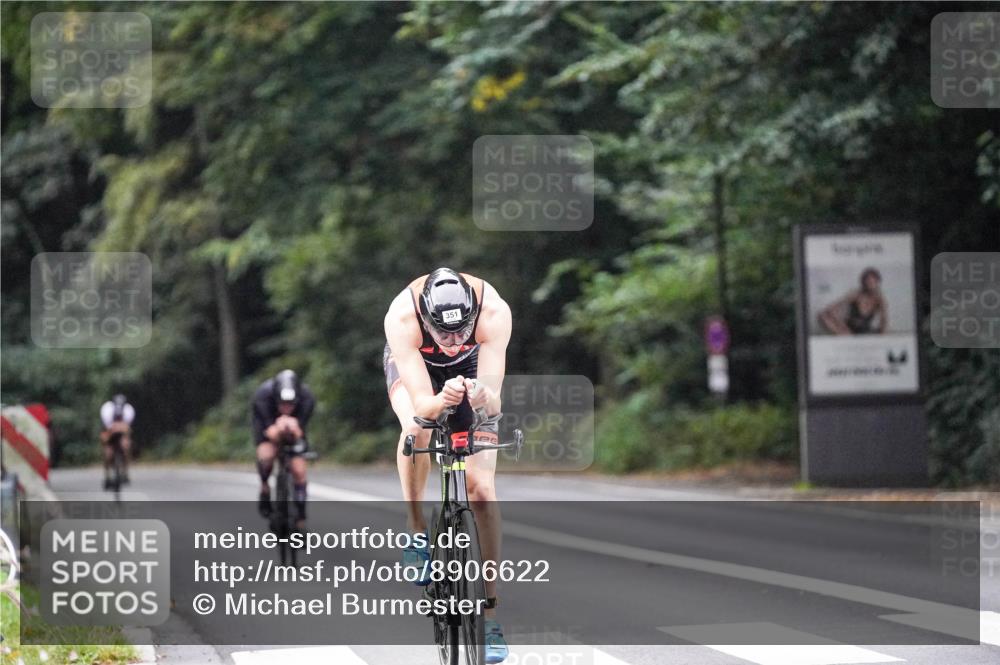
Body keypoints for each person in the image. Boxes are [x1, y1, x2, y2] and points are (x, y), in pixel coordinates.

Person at [383, 267, 512, 663]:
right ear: (426, 319)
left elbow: (495, 404)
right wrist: (442, 400)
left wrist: (479, 395)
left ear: (473, 315)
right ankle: (416, 528)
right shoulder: (401, 318)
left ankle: (489, 618)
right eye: (445, 333)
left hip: (475, 371)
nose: (454, 342)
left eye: (461, 331)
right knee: (415, 431)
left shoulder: (493, 312)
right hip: (418, 369)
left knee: (482, 489)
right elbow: (424, 407)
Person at [252, 369, 316, 530]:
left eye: (290, 405)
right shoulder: (263, 396)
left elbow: (300, 429)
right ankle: (265, 487)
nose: (286, 408)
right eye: (282, 404)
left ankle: (300, 519)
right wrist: (276, 429)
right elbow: (270, 431)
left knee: (299, 472)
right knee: (266, 456)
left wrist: (294, 429)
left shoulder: (307, 398)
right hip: (268, 424)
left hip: (294, 429)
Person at [818, 267, 888, 335]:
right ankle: (847, 337)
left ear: (877, 283)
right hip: (848, 330)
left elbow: (884, 320)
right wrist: (841, 324)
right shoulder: (856, 295)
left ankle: (851, 338)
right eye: (868, 281)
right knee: (822, 315)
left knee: (880, 331)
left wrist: (882, 337)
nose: (870, 284)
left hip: (865, 331)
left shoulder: (880, 299)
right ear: (863, 282)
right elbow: (831, 309)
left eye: (873, 282)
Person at [99, 394, 134, 489]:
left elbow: (127, 428)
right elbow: (108, 428)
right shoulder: (107, 409)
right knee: (108, 454)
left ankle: (125, 472)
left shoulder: (128, 410)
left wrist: (120, 428)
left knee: (126, 446)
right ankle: (107, 476)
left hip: (121, 433)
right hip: (109, 432)